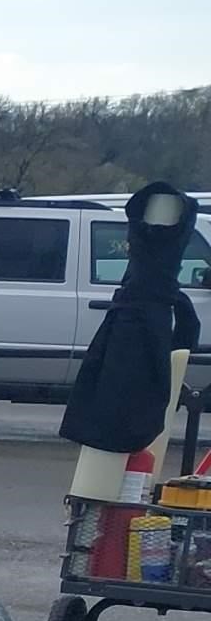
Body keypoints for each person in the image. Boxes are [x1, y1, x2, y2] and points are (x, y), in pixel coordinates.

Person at [62, 183, 202, 454]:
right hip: (138, 326)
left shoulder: (155, 267)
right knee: (120, 404)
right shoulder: (151, 283)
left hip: (141, 324)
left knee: (124, 404)